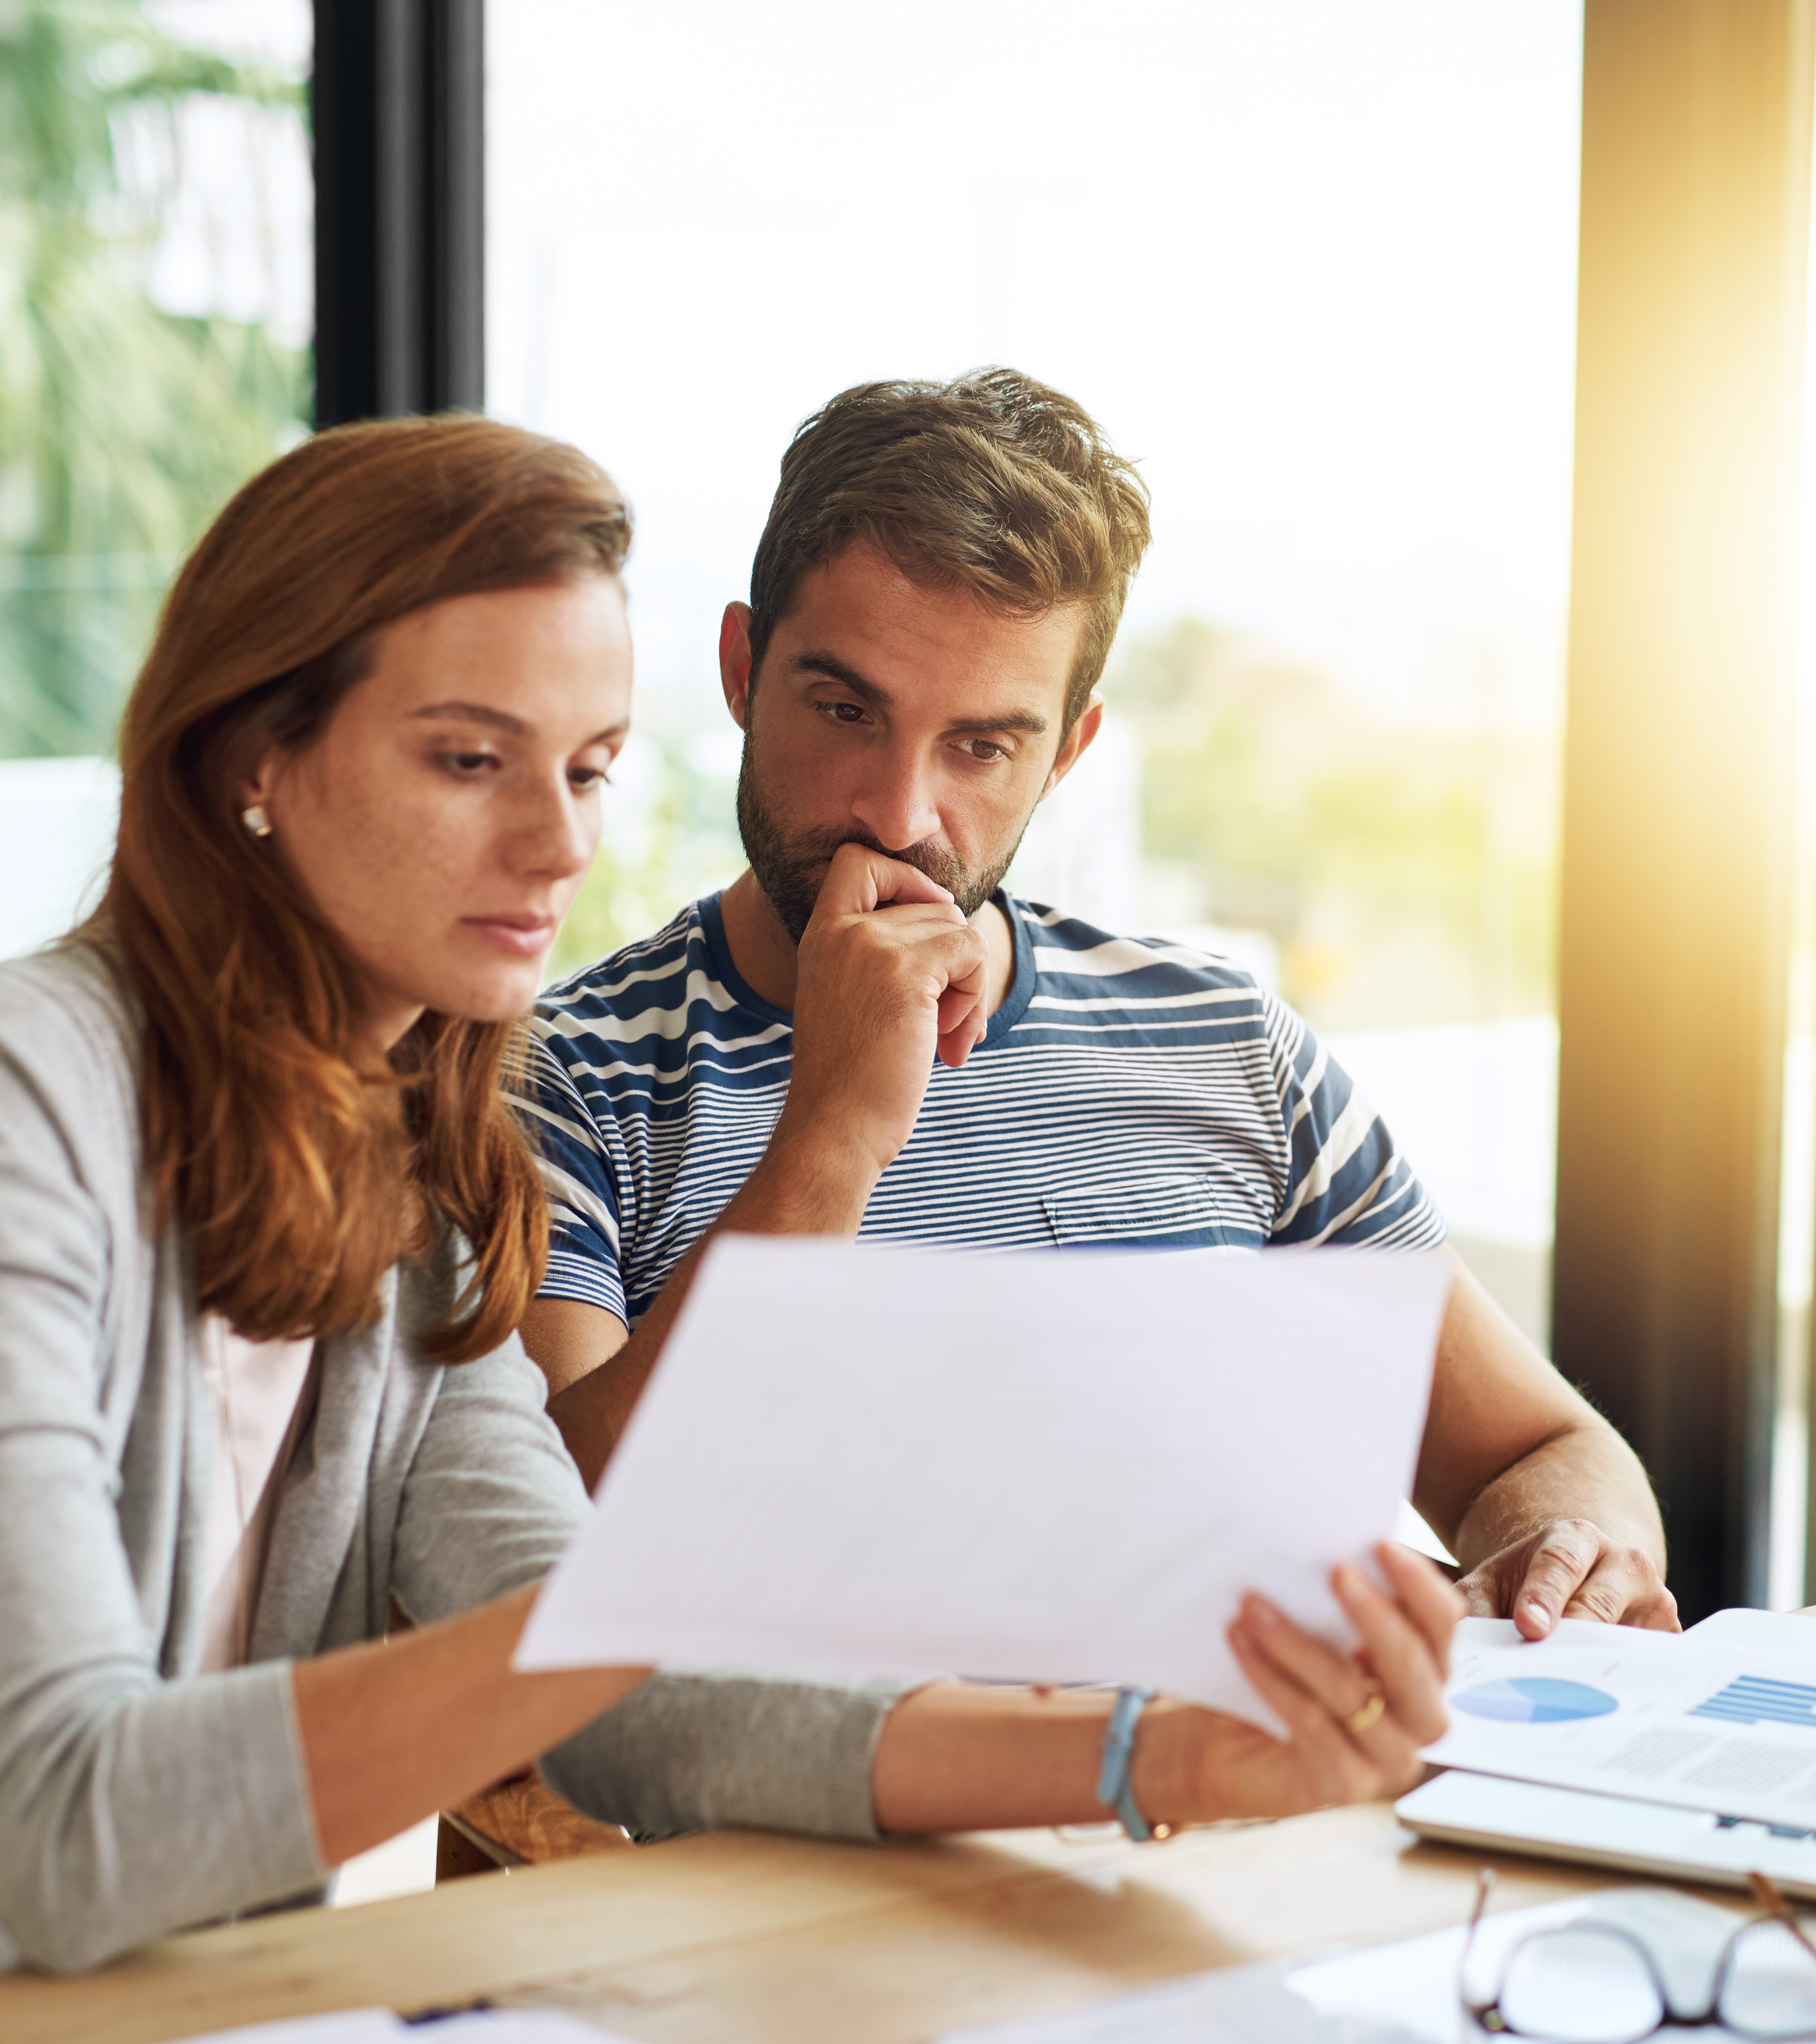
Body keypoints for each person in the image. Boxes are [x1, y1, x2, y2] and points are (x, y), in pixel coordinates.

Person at [0, 419, 1461, 2044]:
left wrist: (1156, 1746)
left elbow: (625, 1691)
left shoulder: (421, 1170)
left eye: (585, 767)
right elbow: (71, 1815)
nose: (560, 845)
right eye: (468, 760)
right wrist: (704, 1556)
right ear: (256, 757)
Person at [516, 371, 1678, 1637]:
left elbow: (1542, 1452)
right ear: (743, 668)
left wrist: (1565, 1552)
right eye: (845, 710)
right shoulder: (561, 1081)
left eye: (982, 746)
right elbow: (541, 1567)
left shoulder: (1227, 1046)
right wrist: (832, 1136)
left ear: (1067, 752)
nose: (899, 812)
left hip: (1245, 1814)